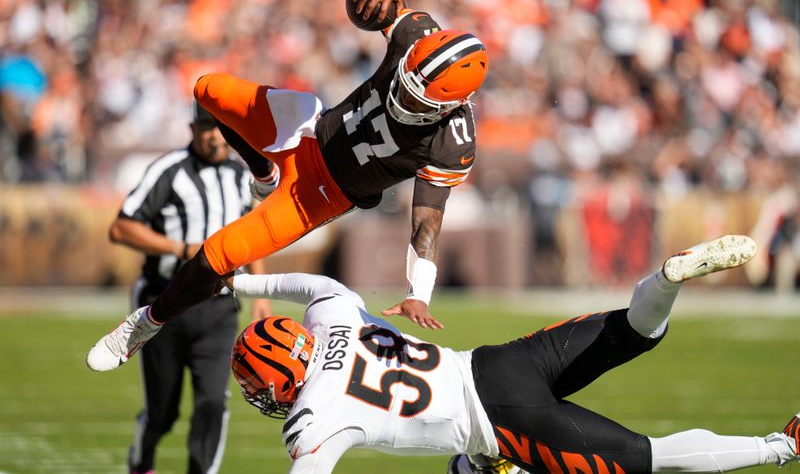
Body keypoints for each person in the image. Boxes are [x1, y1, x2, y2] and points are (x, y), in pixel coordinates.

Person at [87, 0, 490, 373]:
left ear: (447, 108)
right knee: (207, 89)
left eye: (414, 100)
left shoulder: (452, 144)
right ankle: (264, 172)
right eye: (404, 83)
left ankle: (145, 323)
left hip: (322, 193)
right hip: (308, 126)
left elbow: (426, 224)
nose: (402, 97)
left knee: (216, 255)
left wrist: (418, 293)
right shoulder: (415, 34)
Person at [227, 234, 799, 474]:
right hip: (494, 362)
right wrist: (239, 284)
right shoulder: (333, 318)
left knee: (645, 459)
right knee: (633, 331)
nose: (261, 399)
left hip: (502, 417)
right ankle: (666, 279)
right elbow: (313, 286)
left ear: (281, 374)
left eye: (257, 387)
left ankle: (781, 446)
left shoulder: (315, 416)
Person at [108, 104, 274, 474]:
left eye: (222, 128)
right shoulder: (169, 171)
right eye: (206, 127)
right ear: (192, 129)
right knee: (162, 412)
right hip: (163, 301)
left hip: (218, 307)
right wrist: (182, 250)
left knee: (213, 403)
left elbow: (254, 235)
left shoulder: (239, 175)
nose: (215, 135)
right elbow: (120, 228)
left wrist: (259, 292)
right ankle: (142, 458)